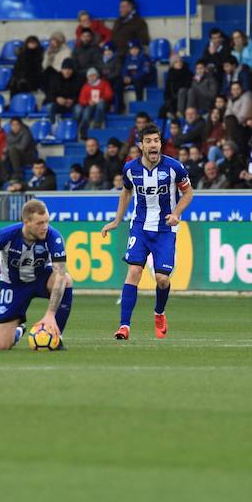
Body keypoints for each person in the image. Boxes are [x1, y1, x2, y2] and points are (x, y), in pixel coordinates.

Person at [101, 124, 194, 340]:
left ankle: (159, 312)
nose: (153, 145)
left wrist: (177, 213)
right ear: (141, 145)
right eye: (149, 141)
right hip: (140, 227)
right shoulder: (130, 169)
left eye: (156, 140)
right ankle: (124, 326)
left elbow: (188, 193)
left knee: (162, 279)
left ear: (160, 143)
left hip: (165, 229)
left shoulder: (174, 168)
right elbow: (125, 192)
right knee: (134, 271)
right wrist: (116, 220)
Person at [0, 199, 73, 350]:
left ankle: (55, 336)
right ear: (26, 222)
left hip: (41, 279)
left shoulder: (54, 237)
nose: (45, 227)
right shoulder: (7, 235)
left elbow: (60, 273)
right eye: (39, 223)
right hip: (13, 285)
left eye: (46, 221)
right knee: (1, 346)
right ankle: (19, 330)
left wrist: (50, 313)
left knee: (65, 279)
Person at [75, 67, 113, 139]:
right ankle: (83, 131)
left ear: (97, 75)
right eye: (90, 76)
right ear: (87, 77)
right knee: (86, 112)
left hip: (101, 103)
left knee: (100, 105)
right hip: (90, 105)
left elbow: (109, 94)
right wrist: (88, 102)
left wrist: (102, 98)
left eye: (93, 75)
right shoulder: (85, 86)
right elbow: (81, 99)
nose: (92, 77)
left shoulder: (104, 83)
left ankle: (97, 125)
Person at [160, 53, 192, 120]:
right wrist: (168, 101)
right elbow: (167, 91)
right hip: (173, 99)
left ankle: (176, 117)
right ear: (173, 64)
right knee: (162, 110)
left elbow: (187, 88)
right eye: (176, 62)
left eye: (180, 61)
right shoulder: (170, 75)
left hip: (184, 99)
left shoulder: (188, 73)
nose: (179, 63)